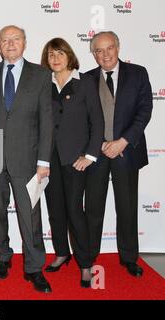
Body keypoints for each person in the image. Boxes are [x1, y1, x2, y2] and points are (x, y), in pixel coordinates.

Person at [0, 25, 53, 293]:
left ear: (24, 43)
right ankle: (2, 257)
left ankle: (34, 267)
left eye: (16, 39)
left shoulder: (42, 75)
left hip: (28, 157)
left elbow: (47, 121)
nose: (10, 44)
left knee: (30, 215)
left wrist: (44, 161)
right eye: (5, 40)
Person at [85, 31, 153, 277]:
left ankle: (129, 257)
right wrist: (101, 144)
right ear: (93, 54)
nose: (105, 54)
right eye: (99, 50)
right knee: (93, 207)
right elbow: (83, 118)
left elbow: (145, 110)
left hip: (127, 151)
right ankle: (89, 256)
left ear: (118, 47)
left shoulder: (138, 74)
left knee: (127, 207)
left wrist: (123, 141)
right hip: (97, 153)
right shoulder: (87, 79)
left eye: (109, 48)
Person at [40, 38, 104, 288]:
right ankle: (61, 252)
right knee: (55, 210)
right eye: (50, 55)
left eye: (60, 54)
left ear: (69, 56)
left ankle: (86, 263)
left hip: (75, 160)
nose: (55, 59)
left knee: (75, 212)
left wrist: (89, 156)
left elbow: (97, 123)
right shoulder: (44, 84)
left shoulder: (85, 83)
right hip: (49, 159)